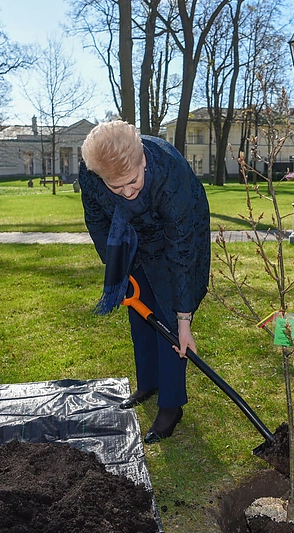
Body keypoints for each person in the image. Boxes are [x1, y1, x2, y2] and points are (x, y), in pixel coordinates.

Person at [79, 120, 211, 443]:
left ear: (143, 160)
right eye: (117, 187)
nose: (127, 192)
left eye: (133, 181)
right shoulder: (91, 174)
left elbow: (182, 252)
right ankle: (148, 381)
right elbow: (96, 221)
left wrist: (184, 320)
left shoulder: (170, 176)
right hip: (131, 234)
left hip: (176, 235)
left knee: (166, 315)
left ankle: (171, 405)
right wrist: (117, 266)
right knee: (140, 312)